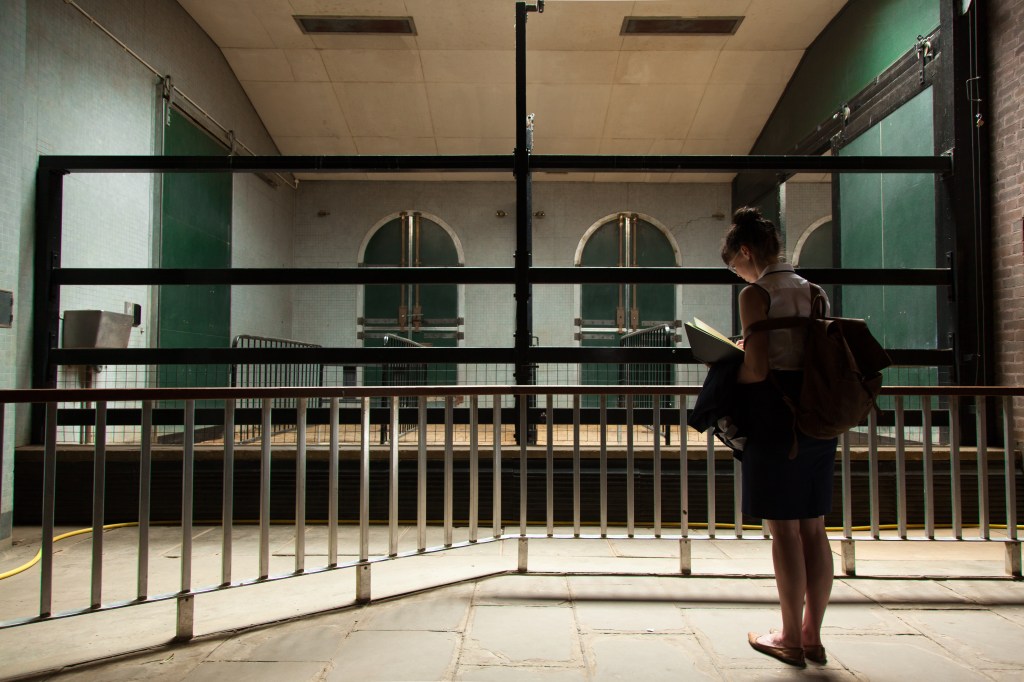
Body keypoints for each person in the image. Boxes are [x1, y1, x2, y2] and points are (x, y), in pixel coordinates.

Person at [721, 206, 837, 668]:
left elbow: (758, 369)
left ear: (746, 253)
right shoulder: (815, 292)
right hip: (816, 415)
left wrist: (729, 364)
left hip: (774, 416)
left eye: (735, 266)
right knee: (814, 527)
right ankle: (812, 635)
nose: (738, 275)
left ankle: (788, 636)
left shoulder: (756, 294)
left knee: (782, 531)